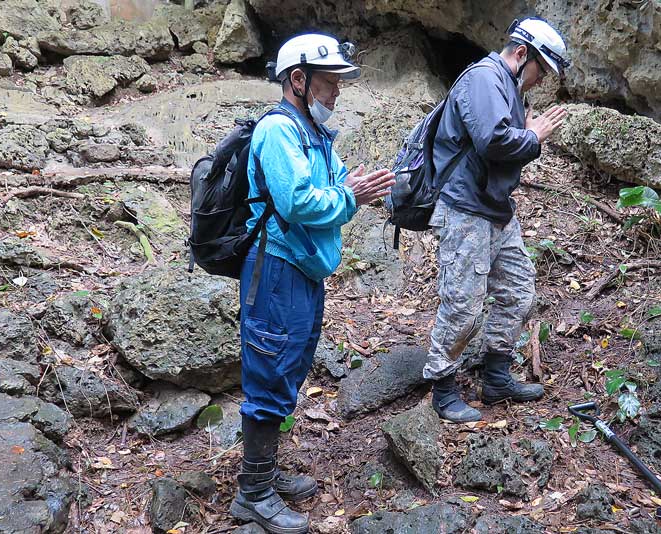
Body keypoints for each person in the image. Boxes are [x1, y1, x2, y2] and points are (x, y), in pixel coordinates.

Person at [229, 33, 395, 534]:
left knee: (291, 366)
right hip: (275, 269)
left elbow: (341, 182)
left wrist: (362, 190)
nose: (337, 93)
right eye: (329, 83)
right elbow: (300, 201)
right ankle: (252, 494)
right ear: (297, 80)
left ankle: (266, 472)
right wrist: (350, 197)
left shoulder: (315, 134)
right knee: (270, 368)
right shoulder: (279, 132)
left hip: (303, 271)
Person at [424, 18, 570, 423]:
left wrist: (527, 134)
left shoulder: (511, 88)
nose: (542, 80)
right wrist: (535, 135)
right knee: (463, 305)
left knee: (520, 290)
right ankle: (443, 387)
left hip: (496, 209)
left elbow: (503, 146)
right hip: (465, 209)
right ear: (522, 54)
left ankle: (496, 376)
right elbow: (494, 140)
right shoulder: (485, 78)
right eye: (543, 69)